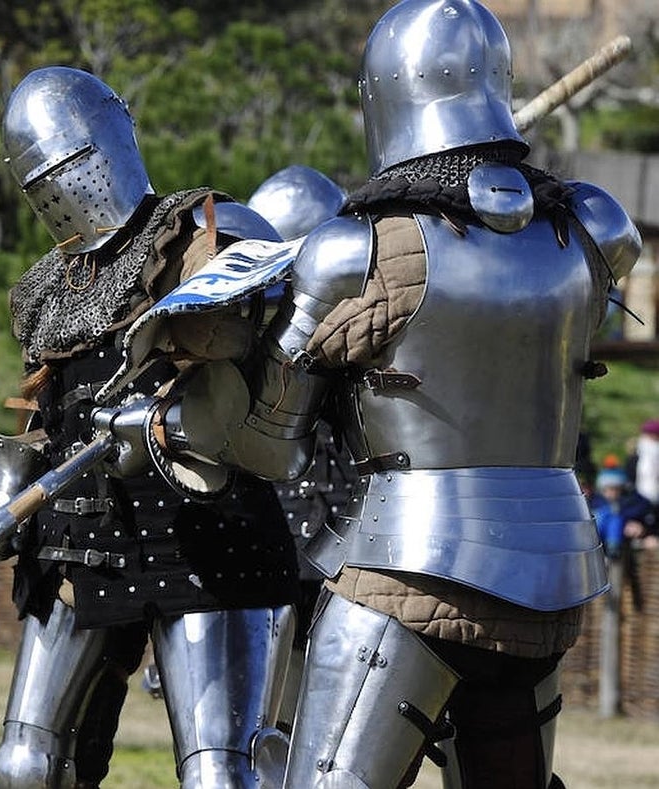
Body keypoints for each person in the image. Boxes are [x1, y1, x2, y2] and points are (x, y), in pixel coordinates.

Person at [89, 2, 642, 786]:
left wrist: (171, 416)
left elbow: (271, 446)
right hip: (550, 571)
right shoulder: (591, 228)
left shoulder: (359, 249)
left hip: (407, 565)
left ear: (385, 95)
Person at [0, 65, 301, 788]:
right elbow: (45, 421)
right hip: (80, 541)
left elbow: (282, 360)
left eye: (74, 165)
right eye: (47, 178)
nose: (65, 188)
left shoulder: (207, 231)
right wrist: (3, 499)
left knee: (221, 773)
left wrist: (176, 417)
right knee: (26, 767)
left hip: (204, 536)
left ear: (114, 141)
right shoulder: (43, 288)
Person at [590, 466, 658, 557]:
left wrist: (643, 529)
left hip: (624, 546)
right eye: (608, 489)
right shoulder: (598, 503)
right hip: (600, 544)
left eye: (615, 489)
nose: (612, 493)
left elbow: (648, 517)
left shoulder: (633, 503)